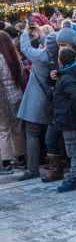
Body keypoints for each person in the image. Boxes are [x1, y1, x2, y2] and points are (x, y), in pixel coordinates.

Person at [17, 23, 53, 180]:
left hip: (36, 101)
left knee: (32, 133)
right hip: (48, 100)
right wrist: (41, 33)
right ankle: (50, 163)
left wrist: (25, 32)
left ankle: (32, 169)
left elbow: (25, 48)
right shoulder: (54, 54)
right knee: (47, 133)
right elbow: (48, 43)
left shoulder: (41, 57)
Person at [52, 46, 76, 192]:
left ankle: (74, 178)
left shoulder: (67, 78)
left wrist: (70, 112)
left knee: (73, 151)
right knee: (74, 150)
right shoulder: (67, 74)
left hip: (69, 120)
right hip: (69, 119)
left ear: (60, 60)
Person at [0, 31, 25, 173]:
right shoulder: (15, 57)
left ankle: (6, 162)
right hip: (17, 95)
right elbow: (21, 75)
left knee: (3, 130)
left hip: (2, 97)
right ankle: (21, 158)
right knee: (17, 128)